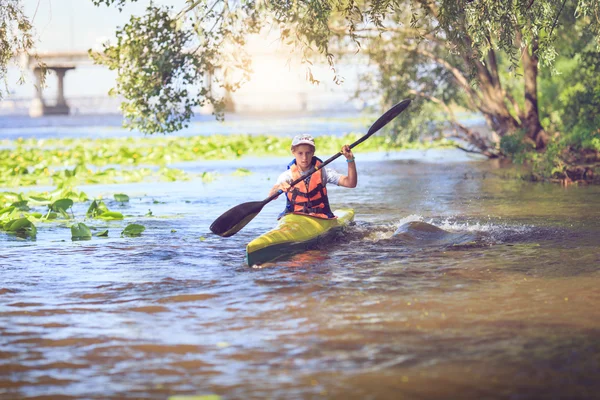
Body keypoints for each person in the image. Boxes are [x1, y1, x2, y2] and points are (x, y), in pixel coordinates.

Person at [268, 134, 357, 219]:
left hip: (321, 218)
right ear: (293, 152)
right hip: (293, 217)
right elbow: (272, 195)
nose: (304, 158)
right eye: (300, 153)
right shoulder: (287, 176)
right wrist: (279, 188)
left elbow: (350, 183)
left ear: (313, 152)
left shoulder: (323, 173)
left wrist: (350, 160)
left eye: (308, 153)